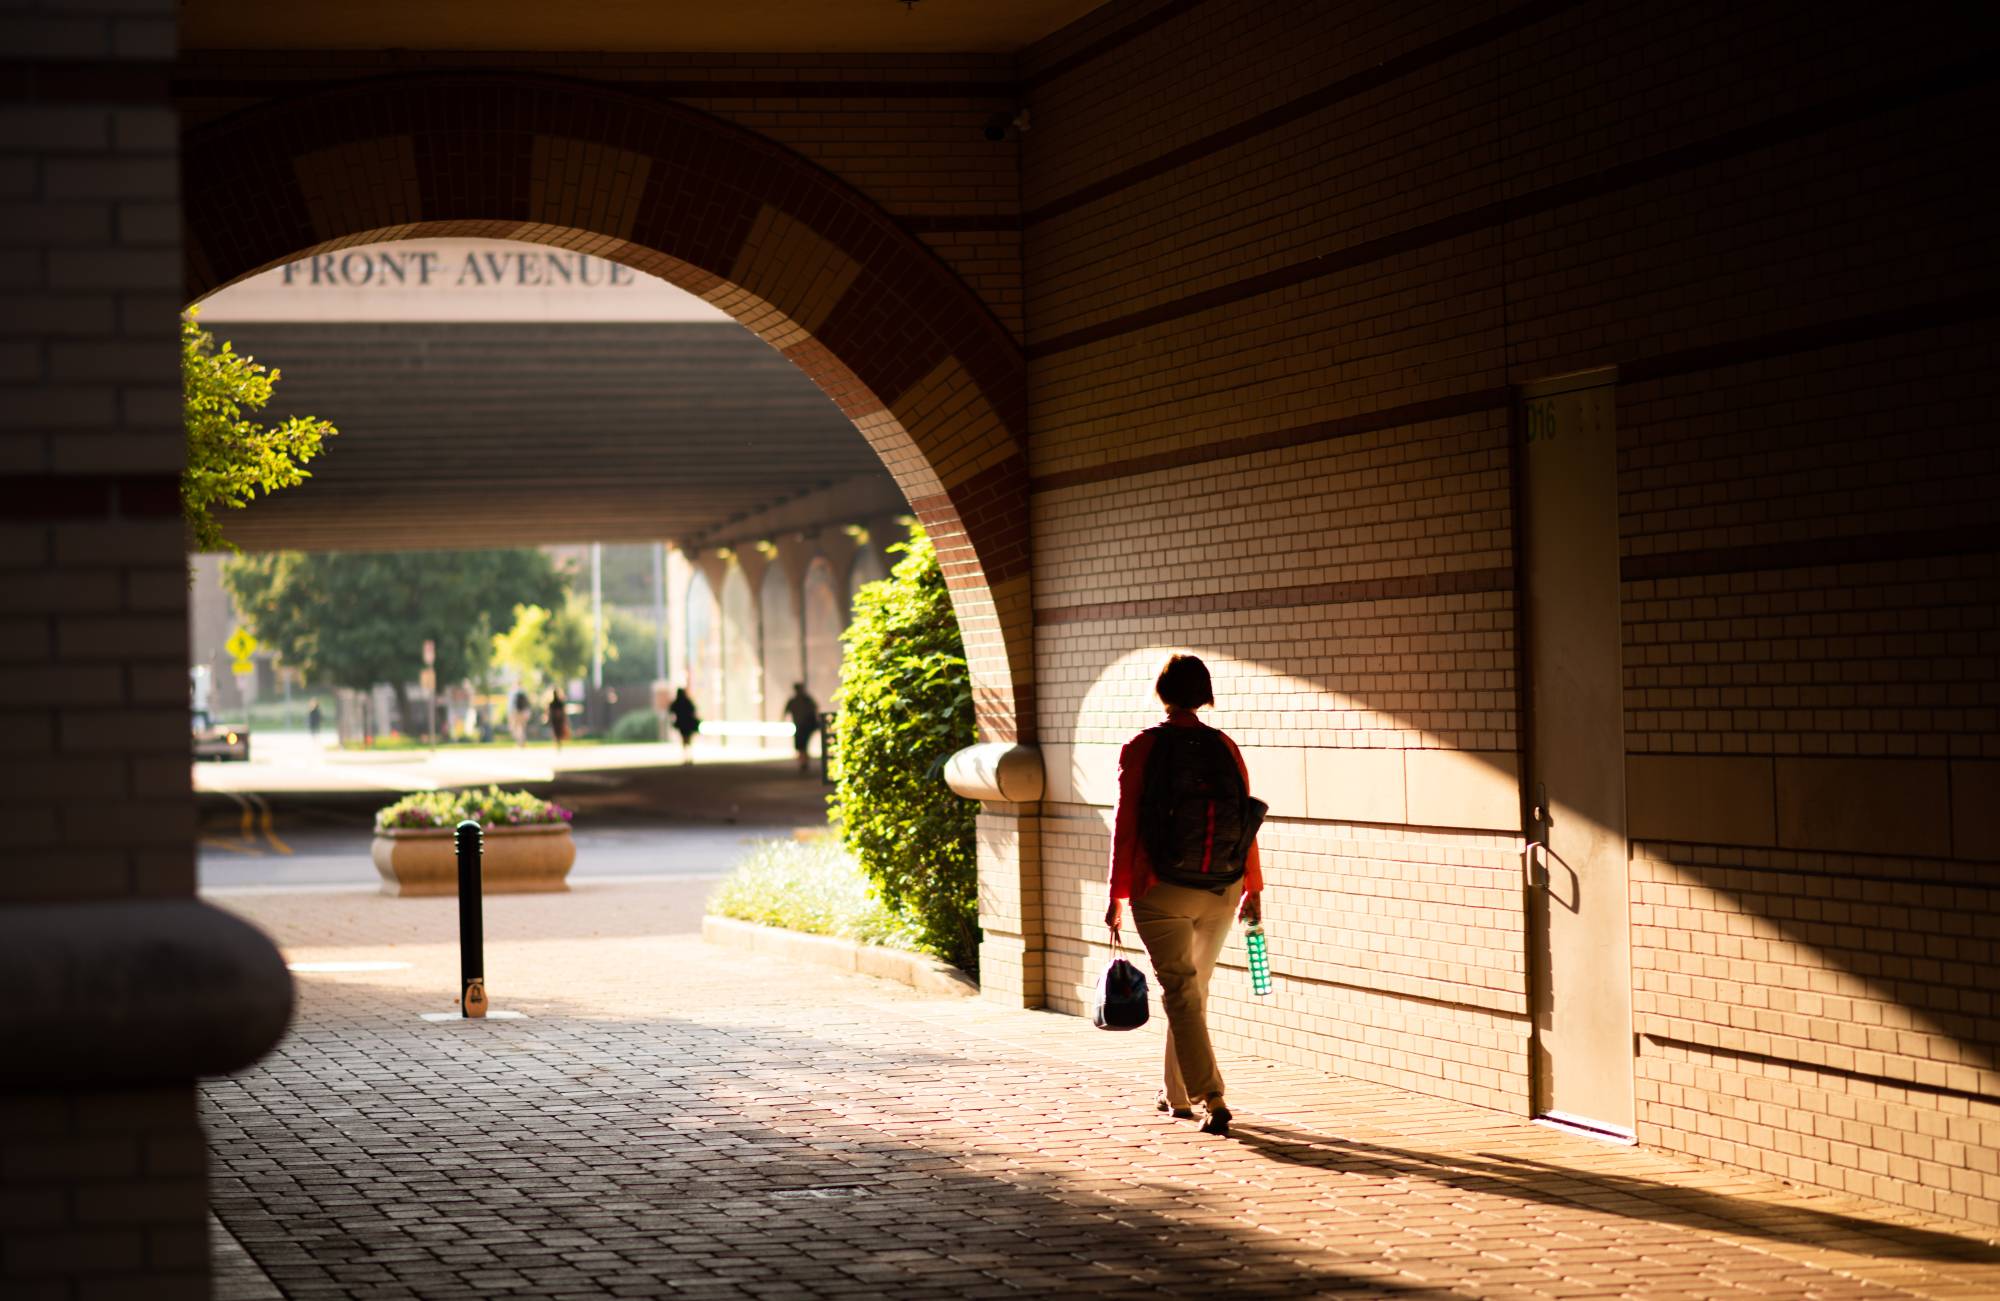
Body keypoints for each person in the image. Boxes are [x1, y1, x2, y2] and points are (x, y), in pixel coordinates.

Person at [1104, 653, 1264, 1137]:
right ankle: (1175, 1094)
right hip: (1221, 886)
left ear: (1163, 692)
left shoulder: (1142, 747)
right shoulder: (1224, 746)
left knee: (1181, 993)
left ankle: (1211, 1096)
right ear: (1205, 695)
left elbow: (1126, 826)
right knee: (1192, 994)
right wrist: (1253, 886)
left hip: (1162, 887)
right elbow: (1247, 820)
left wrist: (1117, 894)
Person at [781, 682, 819, 773]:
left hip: (802, 726)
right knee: (803, 745)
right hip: (804, 726)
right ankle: (804, 762)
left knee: (801, 745)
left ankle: (803, 762)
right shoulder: (807, 700)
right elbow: (815, 709)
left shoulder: (795, 701)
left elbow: (785, 712)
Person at [669, 687, 700, 764]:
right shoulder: (687, 701)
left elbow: (671, 710)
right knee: (688, 739)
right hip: (688, 723)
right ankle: (688, 756)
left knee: (684, 739)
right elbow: (693, 710)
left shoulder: (677, 702)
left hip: (682, 724)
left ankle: (686, 756)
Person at [547, 686, 570, 753]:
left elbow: (562, 711)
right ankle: (558, 743)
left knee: (557, 732)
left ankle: (558, 743)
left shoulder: (556, 703)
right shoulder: (556, 703)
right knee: (557, 732)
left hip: (557, 720)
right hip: (557, 720)